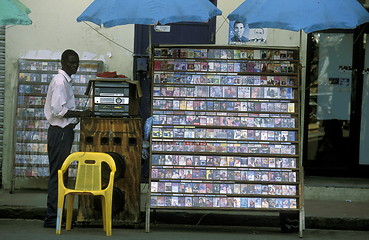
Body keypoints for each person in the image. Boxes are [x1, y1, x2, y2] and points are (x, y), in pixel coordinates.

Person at [43, 49, 92, 228]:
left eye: (76, 62)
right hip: (60, 131)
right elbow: (59, 110)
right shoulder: (60, 82)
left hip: (64, 131)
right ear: (62, 63)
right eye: (71, 62)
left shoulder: (65, 81)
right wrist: (82, 113)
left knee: (61, 173)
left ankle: (56, 216)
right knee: (58, 173)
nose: (75, 66)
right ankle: (51, 217)